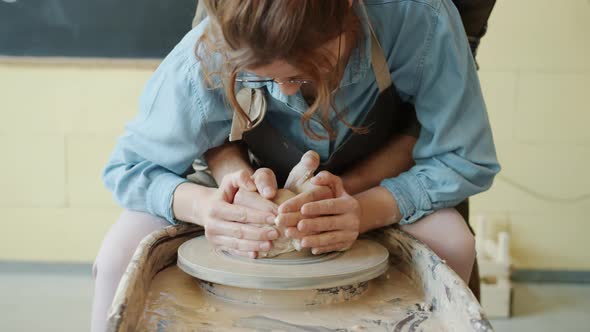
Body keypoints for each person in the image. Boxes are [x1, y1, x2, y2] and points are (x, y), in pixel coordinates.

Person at [91, 1, 500, 331]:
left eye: (300, 74)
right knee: (116, 256)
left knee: (455, 243)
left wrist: (364, 209)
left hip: (383, 172)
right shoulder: (209, 44)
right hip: (251, 174)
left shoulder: (417, 17)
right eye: (260, 77)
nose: (286, 90)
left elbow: (465, 156)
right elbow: (127, 167)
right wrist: (210, 204)